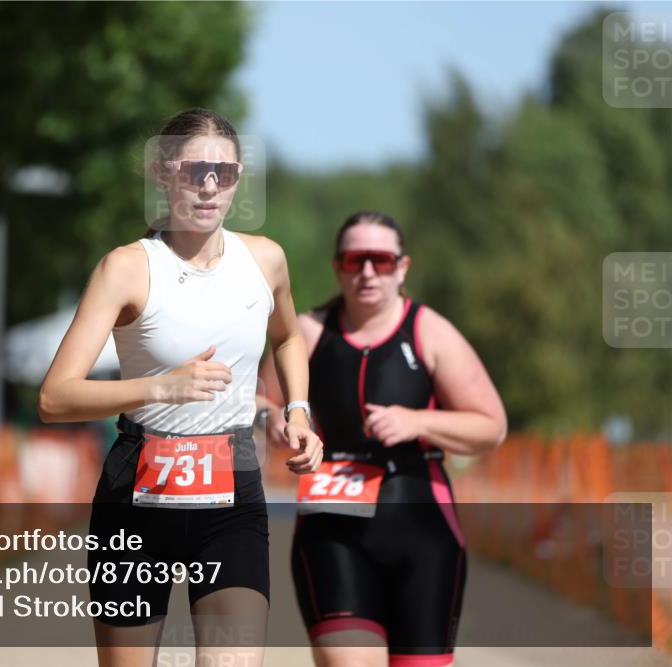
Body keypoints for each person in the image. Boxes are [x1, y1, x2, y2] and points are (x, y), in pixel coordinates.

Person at [38, 108, 323, 667]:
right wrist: (160, 389)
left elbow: (288, 338)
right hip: (136, 496)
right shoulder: (126, 269)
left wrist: (299, 410)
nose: (210, 185)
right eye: (194, 170)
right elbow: (55, 397)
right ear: (163, 173)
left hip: (232, 492)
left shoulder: (265, 260)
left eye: (225, 172)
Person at [258, 211, 507, 667]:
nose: (368, 272)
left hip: (422, 530)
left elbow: (491, 425)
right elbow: (259, 401)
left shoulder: (429, 330)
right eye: (355, 260)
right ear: (338, 267)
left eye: (382, 260)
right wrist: (272, 420)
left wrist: (419, 422)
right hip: (332, 527)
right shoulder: (309, 333)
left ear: (402, 267)